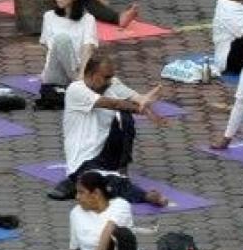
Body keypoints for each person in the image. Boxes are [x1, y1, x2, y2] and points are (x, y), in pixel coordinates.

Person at [47, 56, 170, 205]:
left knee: (124, 118)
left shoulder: (111, 84)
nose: (110, 81)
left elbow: (137, 99)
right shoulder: (76, 90)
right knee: (105, 182)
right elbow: (114, 103)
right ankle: (144, 195)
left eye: (111, 76)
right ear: (91, 75)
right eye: (106, 77)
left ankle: (121, 169)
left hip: (106, 154)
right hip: (84, 161)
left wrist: (144, 101)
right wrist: (142, 109)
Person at [68, 170, 154, 250]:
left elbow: (109, 229)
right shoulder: (76, 213)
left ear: (96, 194)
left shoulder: (120, 205)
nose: (77, 197)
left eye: (81, 192)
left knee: (120, 234)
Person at [38, 0, 99, 107]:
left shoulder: (88, 19)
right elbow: (48, 48)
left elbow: (88, 48)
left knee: (109, 76)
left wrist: (81, 74)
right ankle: (79, 86)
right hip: (56, 75)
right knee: (62, 40)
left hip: (78, 73)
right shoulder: (49, 17)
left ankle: (140, 99)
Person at [212, 0, 243, 149]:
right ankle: (226, 137)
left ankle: (227, 138)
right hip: (230, 60)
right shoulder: (229, 11)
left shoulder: (233, 6)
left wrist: (226, 139)